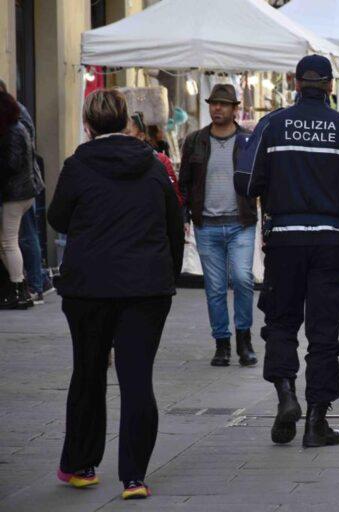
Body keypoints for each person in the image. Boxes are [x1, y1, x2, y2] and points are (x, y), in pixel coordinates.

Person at [235, 55, 339, 448]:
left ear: (296, 83)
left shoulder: (272, 125)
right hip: (332, 241)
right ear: (331, 86)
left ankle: (286, 394)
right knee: (324, 330)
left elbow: (246, 181)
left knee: (281, 323)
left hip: (284, 239)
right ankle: (317, 420)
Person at [48, 88, 184, 500]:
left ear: (88, 125)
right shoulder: (154, 165)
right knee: (137, 379)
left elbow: (57, 218)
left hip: (89, 288)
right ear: (128, 120)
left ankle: (82, 465)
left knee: (88, 373)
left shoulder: (77, 165)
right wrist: (167, 276)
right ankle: (134, 477)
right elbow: (173, 224)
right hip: (146, 287)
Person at [179, 84, 258, 368]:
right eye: (214, 103)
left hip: (241, 224)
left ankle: (244, 339)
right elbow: (184, 182)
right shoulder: (195, 141)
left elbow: (260, 181)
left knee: (242, 279)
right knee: (214, 287)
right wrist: (185, 216)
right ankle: (222, 344)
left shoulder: (248, 141)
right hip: (207, 225)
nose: (217, 108)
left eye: (223, 104)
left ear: (235, 108)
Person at [0, 91, 42, 310]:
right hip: (22, 192)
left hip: (15, 194)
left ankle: (20, 288)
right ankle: (21, 284)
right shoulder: (18, 127)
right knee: (7, 242)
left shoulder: (13, 131)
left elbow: (11, 164)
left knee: (9, 242)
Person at [127, 111, 182, 205]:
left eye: (128, 133)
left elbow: (176, 198)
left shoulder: (160, 160)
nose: (122, 137)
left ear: (141, 136)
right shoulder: (117, 163)